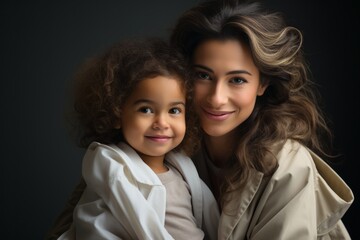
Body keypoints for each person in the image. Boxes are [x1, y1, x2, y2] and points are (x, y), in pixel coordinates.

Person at [47, 0, 354, 239]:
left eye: (237, 80)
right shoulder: (158, 141)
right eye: (203, 75)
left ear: (262, 85)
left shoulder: (289, 169)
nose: (216, 98)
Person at [53, 38, 219, 240]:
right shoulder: (111, 163)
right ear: (116, 114)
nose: (162, 122)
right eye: (146, 110)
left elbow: (209, 218)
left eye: (174, 110)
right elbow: (130, 223)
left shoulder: (182, 167)